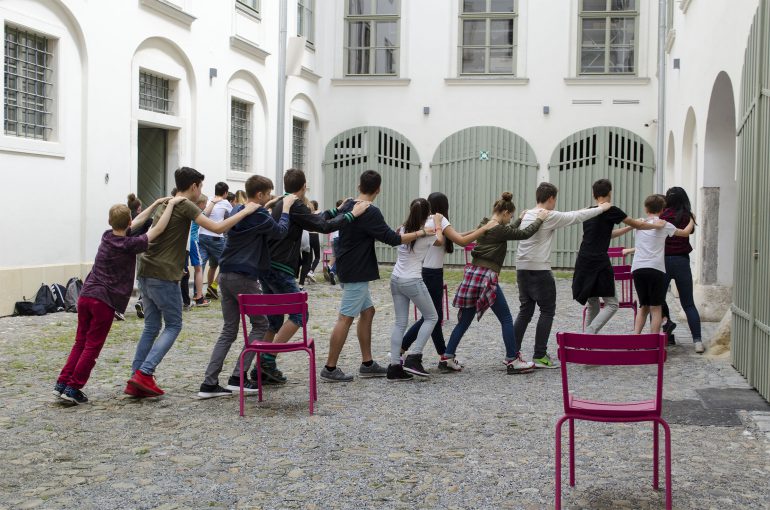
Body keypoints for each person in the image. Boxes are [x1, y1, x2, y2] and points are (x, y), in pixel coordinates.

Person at [127, 167, 259, 397]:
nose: (202, 192)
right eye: (201, 187)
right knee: (174, 325)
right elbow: (217, 227)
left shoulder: (167, 202)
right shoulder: (184, 204)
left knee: (151, 326)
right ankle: (144, 373)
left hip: (146, 270)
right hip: (164, 273)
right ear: (194, 186)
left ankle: (135, 377)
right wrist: (245, 211)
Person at [53, 196, 183, 404]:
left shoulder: (106, 237)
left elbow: (138, 221)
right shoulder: (129, 244)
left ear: (109, 222)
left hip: (85, 296)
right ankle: (73, 388)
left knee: (80, 342)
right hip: (102, 302)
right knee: (92, 347)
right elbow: (156, 230)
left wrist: (157, 203)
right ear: (129, 222)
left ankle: (62, 383)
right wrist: (171, 206)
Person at [255, 169, 371, 385]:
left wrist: (335, 210)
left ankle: (262, 367)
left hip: (268, 267)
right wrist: (350, 215)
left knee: (275, 320)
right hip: (281, 268)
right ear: (304, 186)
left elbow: (313, 219)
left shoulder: (285, 202)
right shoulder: (295, 204)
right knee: (300, 315)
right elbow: (322, 226)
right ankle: (267, 361)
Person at [322, 170, 433, 382]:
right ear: (378, 189)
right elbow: (392, 239)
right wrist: (420, 233)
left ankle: (367, 363)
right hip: (356, 271)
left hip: (348, 267)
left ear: (359, 185)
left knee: (369, 311)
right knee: (345, 318)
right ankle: (329, 367)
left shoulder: (348, 204)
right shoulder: (370, 211)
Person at [197, 176, 296, 399]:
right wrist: (286, 208)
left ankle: (209, 382)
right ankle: (238, 377)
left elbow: (257, 218)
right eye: (268, 194)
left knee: (229, 329)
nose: (271, 197)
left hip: (226, 275)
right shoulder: (259, 214)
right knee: (261, 324)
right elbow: (280, 230)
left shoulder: (238, 210)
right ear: (259, 195)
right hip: (245, 277)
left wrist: (269, 205)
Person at [442, 193, 547, 374]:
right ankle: (512, 359)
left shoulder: (486, 224)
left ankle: (447, 357)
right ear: (506, 212)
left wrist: (520, 219)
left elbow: (507, 231)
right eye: (511, 216)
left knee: (464, 320)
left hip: (473, 274)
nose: (511, 219)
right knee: (506, 318)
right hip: (486, 277)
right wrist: (539, 219)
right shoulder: (499, 228)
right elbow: (523, 234)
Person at [512, 182, 612, 369]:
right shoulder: (549, 216)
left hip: (521, 268)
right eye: (555, 199)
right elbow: (575, 216)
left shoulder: (527, 214)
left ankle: (512, 353)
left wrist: (592, 208)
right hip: (540, 269)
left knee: (525, 311)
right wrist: (601, 208)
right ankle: (540, 355)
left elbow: (571, 214)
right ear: (551, 198)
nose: (555, 203)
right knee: (547, 311)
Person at [401, 192, 499, 372]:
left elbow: (456, 235)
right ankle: (402, 349)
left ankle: (444, 355)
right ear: (444, 206)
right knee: (430, 317)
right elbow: (461, 241)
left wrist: (477, 228)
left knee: (432, 317)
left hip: (424, 272)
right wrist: (484, 229)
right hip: (432, 275)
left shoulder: (428, 220)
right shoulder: (440, 220)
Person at [571, 179, 664, 335]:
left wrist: (627, 228)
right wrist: (656, 225)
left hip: (583, 260)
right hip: (599, 261)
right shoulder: (611, 209)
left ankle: (587, 340)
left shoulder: (588, 211)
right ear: (609, 193)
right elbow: (639, 225)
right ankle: (588, 333)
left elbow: (605, 235)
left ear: (594, 194)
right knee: (612, 304)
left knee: (593, 303)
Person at [619, 194, 694, 336]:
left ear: (646, 209)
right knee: (656, 308)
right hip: (656, 269)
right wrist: (692, 219)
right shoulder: (665, 225)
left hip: (638, 269)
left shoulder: (639, 223)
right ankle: (653, 342)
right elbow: (684, 233)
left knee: (643, 307)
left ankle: (636, 338)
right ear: (663, 210)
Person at [386, 198, 443, 381]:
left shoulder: (402, 229)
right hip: (412, 280)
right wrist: (438, 223)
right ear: (427, 214)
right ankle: (414, 356)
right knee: (432, 317)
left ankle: (395, 366)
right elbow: (440, 241)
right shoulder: (427, 233)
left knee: (400, 322)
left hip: (396, 279)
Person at [659, 186, 704, 353]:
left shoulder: (662, 216)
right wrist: (692, 217)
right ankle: (698, 341)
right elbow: (689, 232)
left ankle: (667, 335)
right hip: (682, 262)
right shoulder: (687, 217)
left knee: (659, 300)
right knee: (688, 304)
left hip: (662, 262)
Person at [199, 182, 232, 300]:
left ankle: (199, 293)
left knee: (202, 265)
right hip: (216, 238)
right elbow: (234, 215)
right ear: (225, 193)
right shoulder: (225, 202)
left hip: (202, 235)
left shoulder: (209, 201)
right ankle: (213, 287)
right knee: (227, 262)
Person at [188, 194, 209, 307]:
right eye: (205, 203)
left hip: (185, 241)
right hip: (193, 241)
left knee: (184, 269)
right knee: (199, 268)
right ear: (200, 204)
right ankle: (199, 296)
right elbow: (207, 215)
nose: (206, 206)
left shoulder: (188, 210)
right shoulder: (199, 213)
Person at [324, 199, 345, 285]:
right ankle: (333, 271)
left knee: (335, 255)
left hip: (333, 238)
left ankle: (329, 267)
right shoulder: (343, 215)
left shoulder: (333, 214)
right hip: (339, 237)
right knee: (341, 257)